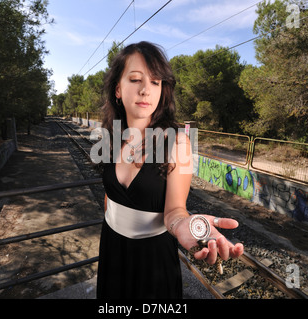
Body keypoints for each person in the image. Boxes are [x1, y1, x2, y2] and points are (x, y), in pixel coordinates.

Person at [96, 41, 244, 299]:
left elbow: (175, 210)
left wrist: (183, 224)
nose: (145, 90)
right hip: (111, 248)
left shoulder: (179, 142)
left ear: (162, 89)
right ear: (118, 89)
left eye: (155, 82)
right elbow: (110, 196)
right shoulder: (110, 137)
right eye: (135, 79)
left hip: (153, 261)